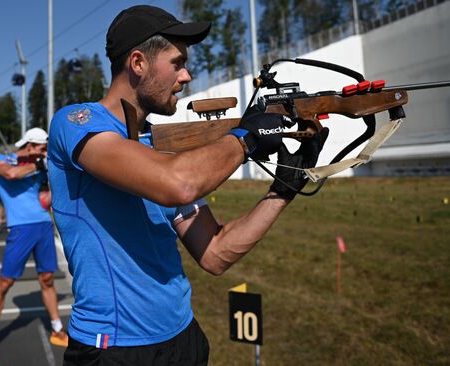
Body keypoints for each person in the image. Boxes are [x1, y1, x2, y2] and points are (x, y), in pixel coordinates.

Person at [47, 5, 325, 365]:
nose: (187, 76)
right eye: (177, 63)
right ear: (137, 63)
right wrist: (247, 138)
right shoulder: (75, 123)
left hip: (184, 338)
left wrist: (284, 189)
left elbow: (215, 253)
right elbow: (178, 184)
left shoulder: (158, 148)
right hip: (113, 348)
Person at [0, 128, 68, 365]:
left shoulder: (38, 167)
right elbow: (11, 174)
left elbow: (43, 199)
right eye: (40, 149)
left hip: (43, 225)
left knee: (47, 278)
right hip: (20, 229)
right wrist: (40, 166)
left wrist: (55, 184)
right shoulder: (1, 160)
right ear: (29, 145)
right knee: (5, 283)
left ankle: (57, 327)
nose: (42, 153)